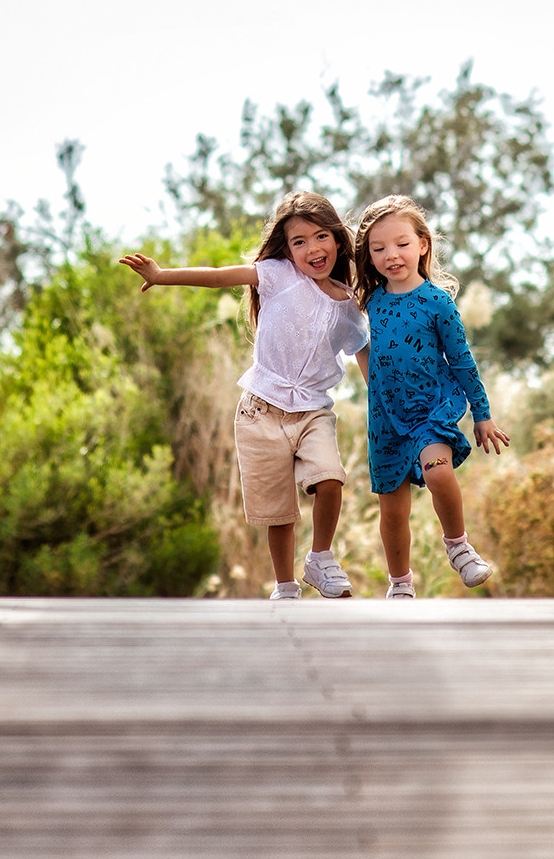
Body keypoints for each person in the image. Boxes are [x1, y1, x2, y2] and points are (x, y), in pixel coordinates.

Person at [120, 192, 368, 600]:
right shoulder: (277, 275)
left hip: (312, 411)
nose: (312, 249)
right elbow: (220, 276)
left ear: (338, 240)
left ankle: (320, 557)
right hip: (259, 410)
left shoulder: (349, 305)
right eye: (299, 242)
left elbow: (364, 354)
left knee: (330, 479)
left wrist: (388, 398)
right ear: (286, 250)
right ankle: (285, 585)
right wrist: (162, 275)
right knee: (278, 508)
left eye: (320, 236)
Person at [353, 195, 510, 599]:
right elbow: (359, 344)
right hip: (385, 419)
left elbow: (462, 361)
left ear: (422, 243)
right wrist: (375, 382)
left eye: (402, 243)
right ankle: (400, 584)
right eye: (379, 248)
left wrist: (483, 414)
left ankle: (458, 546)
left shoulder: (437, 301)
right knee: (392, 513)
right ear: (368, 256)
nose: (392, 254)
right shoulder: (370, 303)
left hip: (430, 412)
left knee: (439, 471)